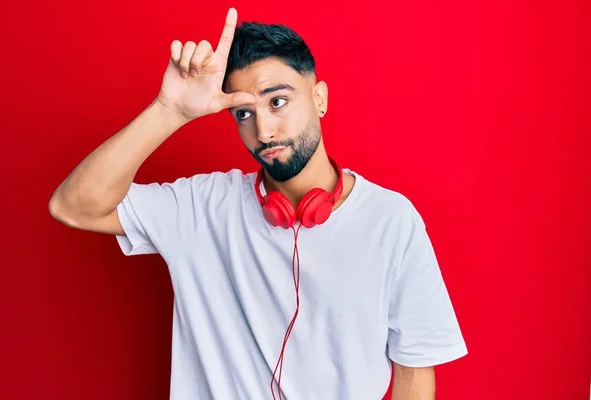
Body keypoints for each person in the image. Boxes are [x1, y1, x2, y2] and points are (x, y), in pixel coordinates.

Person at [49, 8, 467, 400]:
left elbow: (414, 367)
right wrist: (169, 110)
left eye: (277, 101)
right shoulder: (200, 208)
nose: (264, 130)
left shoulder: (391, 221)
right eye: (243, 114)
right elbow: (73, 206)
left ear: (319, 98)